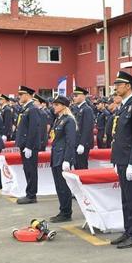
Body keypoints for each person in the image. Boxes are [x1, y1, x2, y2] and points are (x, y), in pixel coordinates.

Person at [109, 71, 132, 249]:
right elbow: (119, 136)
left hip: (130, 161)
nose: (116, 87)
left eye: (119, 84)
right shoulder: (124, 106)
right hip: (122, 159)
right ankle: (127, 230)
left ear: (128, 86)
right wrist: (116, 161)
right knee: (125, 198)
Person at [48, 95, 77, 223]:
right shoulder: (58, 119)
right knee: (59, 186)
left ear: (63, 106)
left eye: (56, 105)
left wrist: (67, 159)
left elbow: (71, 141)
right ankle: (62, 210)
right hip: (56, 155)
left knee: (63, 186)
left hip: (62, 157)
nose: (54, 107)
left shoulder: (69, 120)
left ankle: (66, 212)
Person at [15, 86, 44, 204]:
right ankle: (29, 193)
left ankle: (31, 195)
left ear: (28, 95)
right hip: (25, 144)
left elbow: (33, 129)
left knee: (31, 170)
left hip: (29, 145)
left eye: (21, 94)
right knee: (27, 169)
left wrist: (29, 146)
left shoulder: (32, 109)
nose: (19, 97)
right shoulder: (26, 108)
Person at [72, 87, 94, 169]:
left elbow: (87, 128)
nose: (74, 97)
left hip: (82, 143)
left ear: (83, 96)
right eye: (73, 96)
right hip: (76, 141)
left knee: (82, 166)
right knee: (76, 166)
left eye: (76, 95)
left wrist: (82, 144)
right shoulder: (76, 108)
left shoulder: (87, 109)